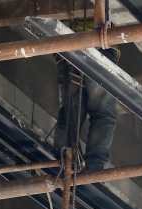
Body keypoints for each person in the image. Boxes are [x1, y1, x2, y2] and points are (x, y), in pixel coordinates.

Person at [54, 16, 119, 171]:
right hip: (91, 46)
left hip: (80, 45)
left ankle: (71, 160)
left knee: (73, 113)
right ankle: (72, 161)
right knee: (80, 113)